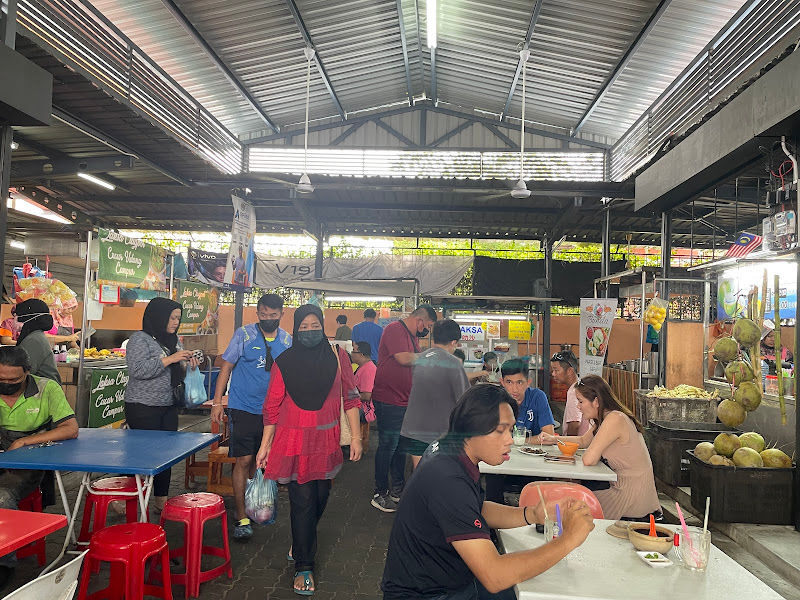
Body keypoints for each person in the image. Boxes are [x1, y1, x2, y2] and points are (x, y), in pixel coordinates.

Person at [381, 384, 595, 600]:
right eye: (500, 430)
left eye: (510, 430)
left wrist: (532, 513)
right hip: (427, 594)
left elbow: (474, 509)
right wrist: (569, 539)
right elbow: (495, 576)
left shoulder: (451, 450)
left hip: (448, 581)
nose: (510, 439)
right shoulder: (447, 478)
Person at [256, 305, 362, 596]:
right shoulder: (284, 361)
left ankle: (302, 539)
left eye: (315, 325)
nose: (310, 330)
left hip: (326, 442)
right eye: (303, 327)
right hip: (293, 442)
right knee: (302, 502)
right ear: (296, 328)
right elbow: (272, 406)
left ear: (323, 326)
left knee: (320, 497)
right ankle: (304, 565)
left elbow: (351, 398)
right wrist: (265, 446)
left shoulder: (338, 356)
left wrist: (356, 438)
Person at [211, 294, 291, 541]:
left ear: (281, 314)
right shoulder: (244, 335)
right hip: (243, 408)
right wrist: (217, 401)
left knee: (264, 461)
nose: (268, 319)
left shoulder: (287, 340)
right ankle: (241, 515)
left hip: (273, 412)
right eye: (264, 315)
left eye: (273, 315)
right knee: (244, 460)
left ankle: (260, 506)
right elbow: (226, 366)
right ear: (258, 313)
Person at [0, 345, 79, 589]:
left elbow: (70, 429)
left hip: (27, 461)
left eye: (14, 379)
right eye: (1, 379)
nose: (7, 383)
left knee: (1, 497)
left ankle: (5, 565)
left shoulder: (46, 388)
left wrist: (24, 440)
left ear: (28, 372)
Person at [124, 297, 198, 512]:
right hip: (142, 406)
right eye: (172, 317)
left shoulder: (173, 340)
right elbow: (138, 370)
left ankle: (160, 499)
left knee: (166, 455)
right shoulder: (140, 339)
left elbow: (178, 368)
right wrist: (170, 359)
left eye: (178, 318)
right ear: (159, 316)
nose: (176, 322)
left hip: (169, 404)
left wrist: (188, 363)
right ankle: (128, 496)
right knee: (140, 454)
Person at [557, 375, 660, 521]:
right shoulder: (605, 418)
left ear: (596, 401)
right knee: (570, 501)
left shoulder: (615, 419)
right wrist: (553, 439)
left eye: (580, 401)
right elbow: (583, 440)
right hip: (621, 487)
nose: (578, 406)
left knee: (570, 504)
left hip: (629, 495)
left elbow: (588, 459)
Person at [371, 304, 437, 512]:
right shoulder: (394, 329)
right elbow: (403, 358)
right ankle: (379, 493)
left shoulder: (413, 337)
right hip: (389, 400)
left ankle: (397, 490)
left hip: (404, 400)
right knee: (387, 446)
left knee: (400, 447)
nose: (427, 330)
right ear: (420, 321)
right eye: (428, 325)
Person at [399, 319, 469, 468]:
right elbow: (464, 400)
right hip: (438, 432)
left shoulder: (420, 359)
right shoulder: (454, 363)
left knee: (419, 473)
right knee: (438, 476)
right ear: (453, 342)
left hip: (414, 428)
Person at [484, 358, 556, 503]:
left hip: (533, 464)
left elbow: (548, 436)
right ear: (502, 382)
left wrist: (521, 441)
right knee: (492, 478)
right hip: (502, 461)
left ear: (528, 382)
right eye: (509, 382)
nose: (514, 389)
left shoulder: (537, 397)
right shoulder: (496, 400)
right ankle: (494, 521)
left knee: (536, 494)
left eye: (520, 382)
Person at [14, 299, 61, 384]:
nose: (14, 319)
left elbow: (23, 373)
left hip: (45, 393)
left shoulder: (33, 340)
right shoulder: (35, 336)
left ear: (26, 318)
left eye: (16, 315)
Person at [551, 351, 589, 436]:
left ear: (570, 371)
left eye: (556, 370)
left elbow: (575, 424)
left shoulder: (574, 391)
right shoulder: (580, 386)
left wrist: (568, 444)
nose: (553, 374)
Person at [352, 341, 376, 448]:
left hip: (366, 410)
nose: (351, 353)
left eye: (354, 351)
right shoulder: (363, 368)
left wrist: (349, 398)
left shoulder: (369, 370)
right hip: (359, 405)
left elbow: (367, 396)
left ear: (361, 354)